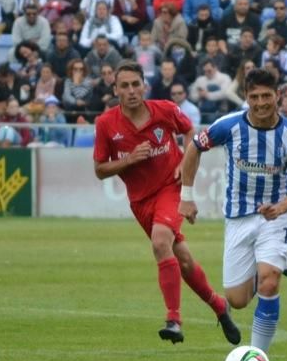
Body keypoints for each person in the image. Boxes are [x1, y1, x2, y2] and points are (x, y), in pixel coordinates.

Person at [93, 61, 241, 345]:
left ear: (144, 86)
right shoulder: (106, 124)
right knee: (182, 260)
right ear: (115, 90)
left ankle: (173, 319)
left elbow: (191, 134)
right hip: (140, 202)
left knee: (160, 242)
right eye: (124, 86)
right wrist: (129, 160)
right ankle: (219, 307)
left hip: (171, 190)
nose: (131, 90)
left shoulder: (164, 109)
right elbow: (100, 169)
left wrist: (185, 159)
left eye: (136, 84)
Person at [178, 68, 287, 353]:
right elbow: (194, 148)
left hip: (275, 216)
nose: (262, 103)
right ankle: (280, 259)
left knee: (269, 282)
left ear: (278, 96)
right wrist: (187, 196)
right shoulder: (228, 126)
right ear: (246, 97)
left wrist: (281, 207)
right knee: (237, 299)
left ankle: (258, 358)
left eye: (267, 96)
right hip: (238, 217)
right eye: (255, 96)